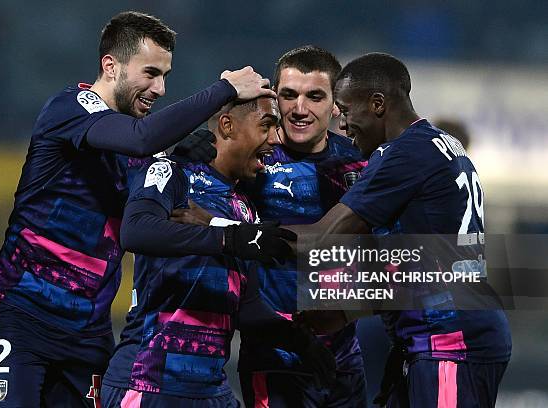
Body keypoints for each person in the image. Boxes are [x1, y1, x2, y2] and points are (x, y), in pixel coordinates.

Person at [0, 11, 284, 407]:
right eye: (151, 73)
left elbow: (160, 219)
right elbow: (138, 139)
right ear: (111, 66)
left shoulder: (150, 151)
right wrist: (224, 89)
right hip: (20, 318)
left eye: (166, 75)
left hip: (89, 336)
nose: (161, 88)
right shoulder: (69, 108)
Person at [290, 53, 512, 407]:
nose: (344, 125)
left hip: (449, 341)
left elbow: (323, 238)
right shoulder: (438, 143)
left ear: (377, 104)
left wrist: (222, 232)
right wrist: (345, 313)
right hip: (434, 337)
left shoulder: (403, 154)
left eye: (346, 110)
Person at [101, 95, 331, 407]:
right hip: (149, 382)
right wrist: (227, 238)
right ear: (227, 125)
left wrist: (297, 339)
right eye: (266, 126)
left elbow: (245, 309)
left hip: (210, 389)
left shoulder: (245, 209)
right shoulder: (174, 175)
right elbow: (135, 231)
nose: (276, 140)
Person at [173, 46, 368, 407]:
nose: (299, 109)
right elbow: (187, 203)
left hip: (344, 352)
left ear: (335, 104)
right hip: (276, 353)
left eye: (314, 96)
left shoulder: (359, 161)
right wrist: (181, 154)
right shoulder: (253, 156)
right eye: (289, 95)